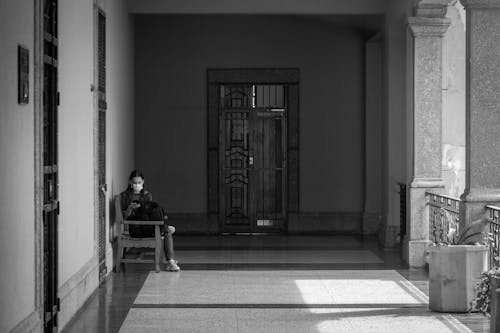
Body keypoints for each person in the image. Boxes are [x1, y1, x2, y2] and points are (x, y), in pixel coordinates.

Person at [120, 170, 180, 272]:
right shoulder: (125, 196)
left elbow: (151, 215)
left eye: (139, 182)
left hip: (147, 225)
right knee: (167, 231)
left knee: (164, 228)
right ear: (130, 182)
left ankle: (171, 261)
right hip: (135, 229)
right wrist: (130, 208)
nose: (137, 185)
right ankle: (170, 260)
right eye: (134, 183)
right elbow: (124, 218)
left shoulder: (147, 195)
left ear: (143, 182)